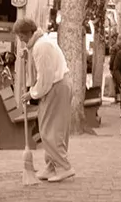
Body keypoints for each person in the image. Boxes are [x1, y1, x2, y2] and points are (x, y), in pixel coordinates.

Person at [14, 18, 76, 182]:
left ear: (29, 33)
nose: (20, 40)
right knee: (50, 127)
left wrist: (32, 93)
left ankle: (64, 166)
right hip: (57, 86)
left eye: (21, 36)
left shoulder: (41, 47)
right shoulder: (39, 44)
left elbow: (45, 78)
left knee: (50, 130)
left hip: (56, 87)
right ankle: (51, 165)